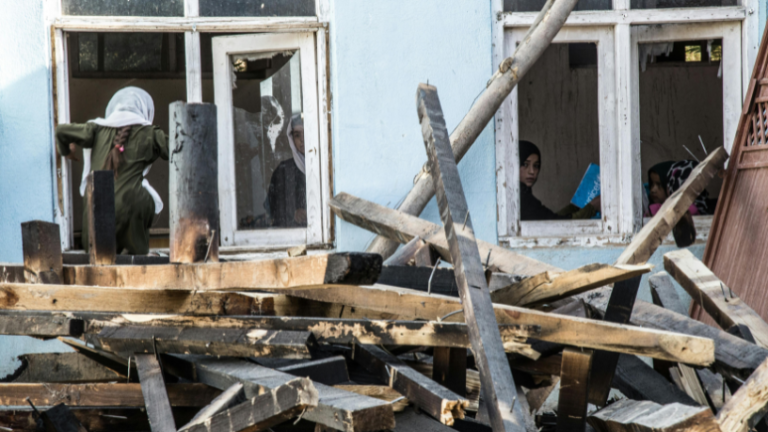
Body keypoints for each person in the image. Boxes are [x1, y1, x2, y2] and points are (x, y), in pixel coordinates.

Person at [56, 87, 168, 255]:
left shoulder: (96, 128)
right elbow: (182, 146)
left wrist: (67, 152)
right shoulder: (150, 134)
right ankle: (136, 250)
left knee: (98, 253)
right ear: (145, 110)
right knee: (143, 197)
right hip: (131, 206)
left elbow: (61, 131)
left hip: (95, 218)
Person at [519, 140, 601, 221]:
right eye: (525, 164)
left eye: (536, 166)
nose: (532, 171)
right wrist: (592, 207)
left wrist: (575, 207)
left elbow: (550, 219)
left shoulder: (524, 195)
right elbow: (555, 225)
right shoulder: (521, 199)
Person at [267, 114, 307, 227]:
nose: (302, 140)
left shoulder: (324, 169)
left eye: (306, 132)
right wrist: (293, 213)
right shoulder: (283, 170)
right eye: (297, 135)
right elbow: (273, 206)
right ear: (291, 139)